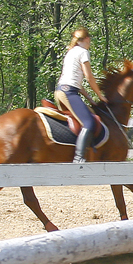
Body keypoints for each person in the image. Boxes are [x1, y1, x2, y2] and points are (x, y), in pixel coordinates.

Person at [56, 27, 106, 163]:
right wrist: (100, 95)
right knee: (89, 122)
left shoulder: (70, 52)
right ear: (87, 39)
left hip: (60, 91)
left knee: (87, 114)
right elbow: (89, 77)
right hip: (69, 92)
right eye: (90, 41)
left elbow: (76, 81)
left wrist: (89, 97)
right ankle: (78, 157)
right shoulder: (83, 52)